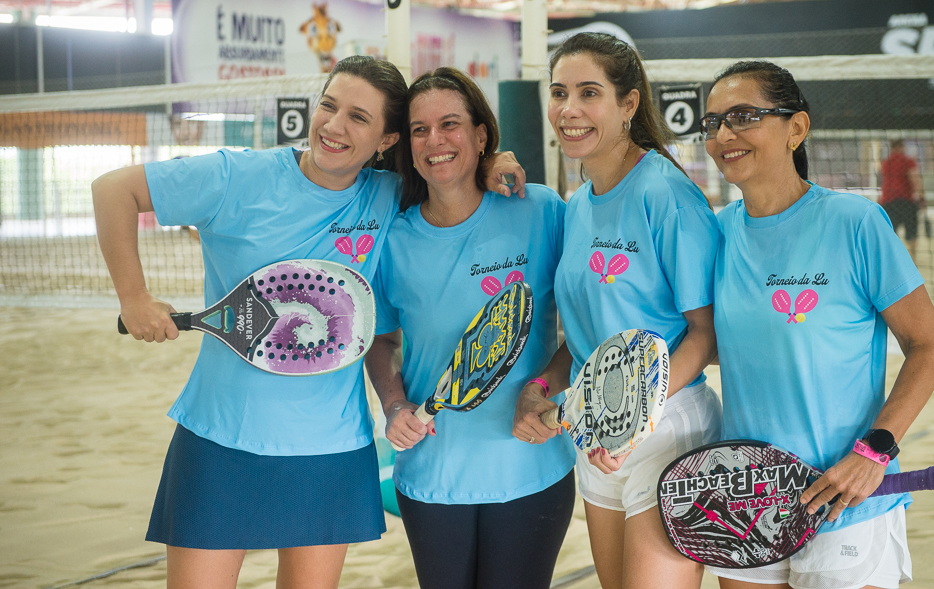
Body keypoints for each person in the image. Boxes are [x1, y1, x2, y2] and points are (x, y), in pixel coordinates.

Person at [92, 56, 525, 589]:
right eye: (328, 105)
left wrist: (489, 164)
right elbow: (114, 189)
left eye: (359, 118)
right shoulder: (237, 176)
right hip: (220, 435)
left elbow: (450, 179)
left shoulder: (388, 195)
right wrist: (133, 297)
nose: (335, 125)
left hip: (330, 448)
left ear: (387, 141)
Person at [703, 60, 934, 589]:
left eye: (743, 116)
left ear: (797, 127)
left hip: (843, 501)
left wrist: (875, 451)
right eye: (713, 122)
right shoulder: (714, 234)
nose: (724, 134)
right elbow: (716, 344)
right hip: (747, 501)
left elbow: (929, 345)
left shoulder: (853, 221)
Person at [513, 32, 723, 589]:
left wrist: (635, 418)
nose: (569, 110)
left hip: (666, 426)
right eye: (559, 93)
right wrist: (542, 385)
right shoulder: (577, 203)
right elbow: (587, 340)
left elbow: (705, 335)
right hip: (593, 426)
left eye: (589, 93)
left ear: (629, 104)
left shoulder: (666, 193)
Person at [364, 67, 576, 589]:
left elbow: (583, 332)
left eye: (451, 124)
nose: (435, 140)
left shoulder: (540, 211)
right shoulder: (391, 238)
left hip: (530, 466)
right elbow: (382, 340)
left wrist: (542, 387)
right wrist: (393, 406)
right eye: (419, 129)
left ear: (481, 135)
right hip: (432, 476)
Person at [880, 139, 924, 259]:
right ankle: (912, 262)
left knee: (890, 234)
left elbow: (885, 183)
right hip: (906, 202)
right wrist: (922, 198)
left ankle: (891, 261)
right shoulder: (907, 162)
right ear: (901, 147)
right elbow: (916, 180)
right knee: (911, 234)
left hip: (888, 202)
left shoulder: (885, 163)